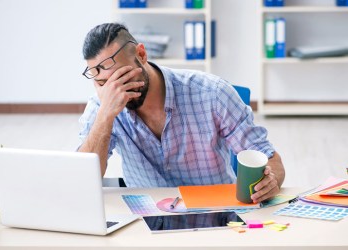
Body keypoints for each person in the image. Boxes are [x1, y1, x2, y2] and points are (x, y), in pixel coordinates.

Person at [78, 23, 285, 203]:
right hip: (146, 218)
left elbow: (270, 159)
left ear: (141, 55)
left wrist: (270, 181)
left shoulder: (212, 93)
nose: (116, 91)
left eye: (121, 77)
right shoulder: (101, 106)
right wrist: (106, 115)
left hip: (214, 212)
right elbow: (83, 181)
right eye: (103, 84)